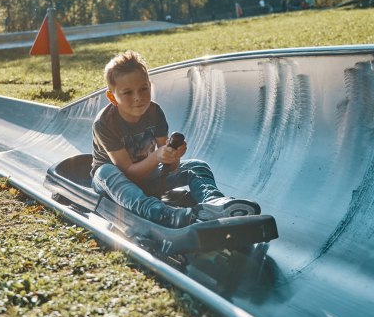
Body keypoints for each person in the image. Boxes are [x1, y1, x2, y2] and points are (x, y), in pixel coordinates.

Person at [91, 51, 260, 229]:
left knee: (197, 165)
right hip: (116, 185)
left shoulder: (155, 112)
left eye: (143, 89)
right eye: (127, 92)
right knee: (105, 171)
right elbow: (129, 172)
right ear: (112, 97)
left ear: (150, 86)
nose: (138, 97)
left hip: (150, 176)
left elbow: (169, 167)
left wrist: (173, 156)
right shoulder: (104, 123)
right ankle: (160, 213)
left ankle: (214, 202)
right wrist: (157, 156)